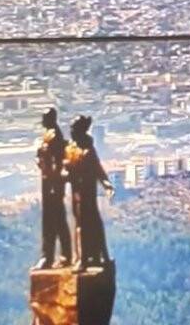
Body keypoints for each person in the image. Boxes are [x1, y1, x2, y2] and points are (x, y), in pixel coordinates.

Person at [65, 115, 114, 270]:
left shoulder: (87, 151)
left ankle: (86, 258)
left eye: (74, 129)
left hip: (87, 194)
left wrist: (107, 185)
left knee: (88, 225)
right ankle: (80, 256)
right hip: (75, 193)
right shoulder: (71, 149)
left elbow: (97, 170)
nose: (71, 132)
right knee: (78, 224)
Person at [34, 108, 71, 269]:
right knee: (50, 220)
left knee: (56, 220)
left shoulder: (55, 136)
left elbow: (58, 160)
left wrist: (55, 181)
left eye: (44, 117)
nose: (42, 120)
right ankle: (50, 255)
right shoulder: (49, 134)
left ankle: (58, 255)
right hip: (48, 181)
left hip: (53, 184)